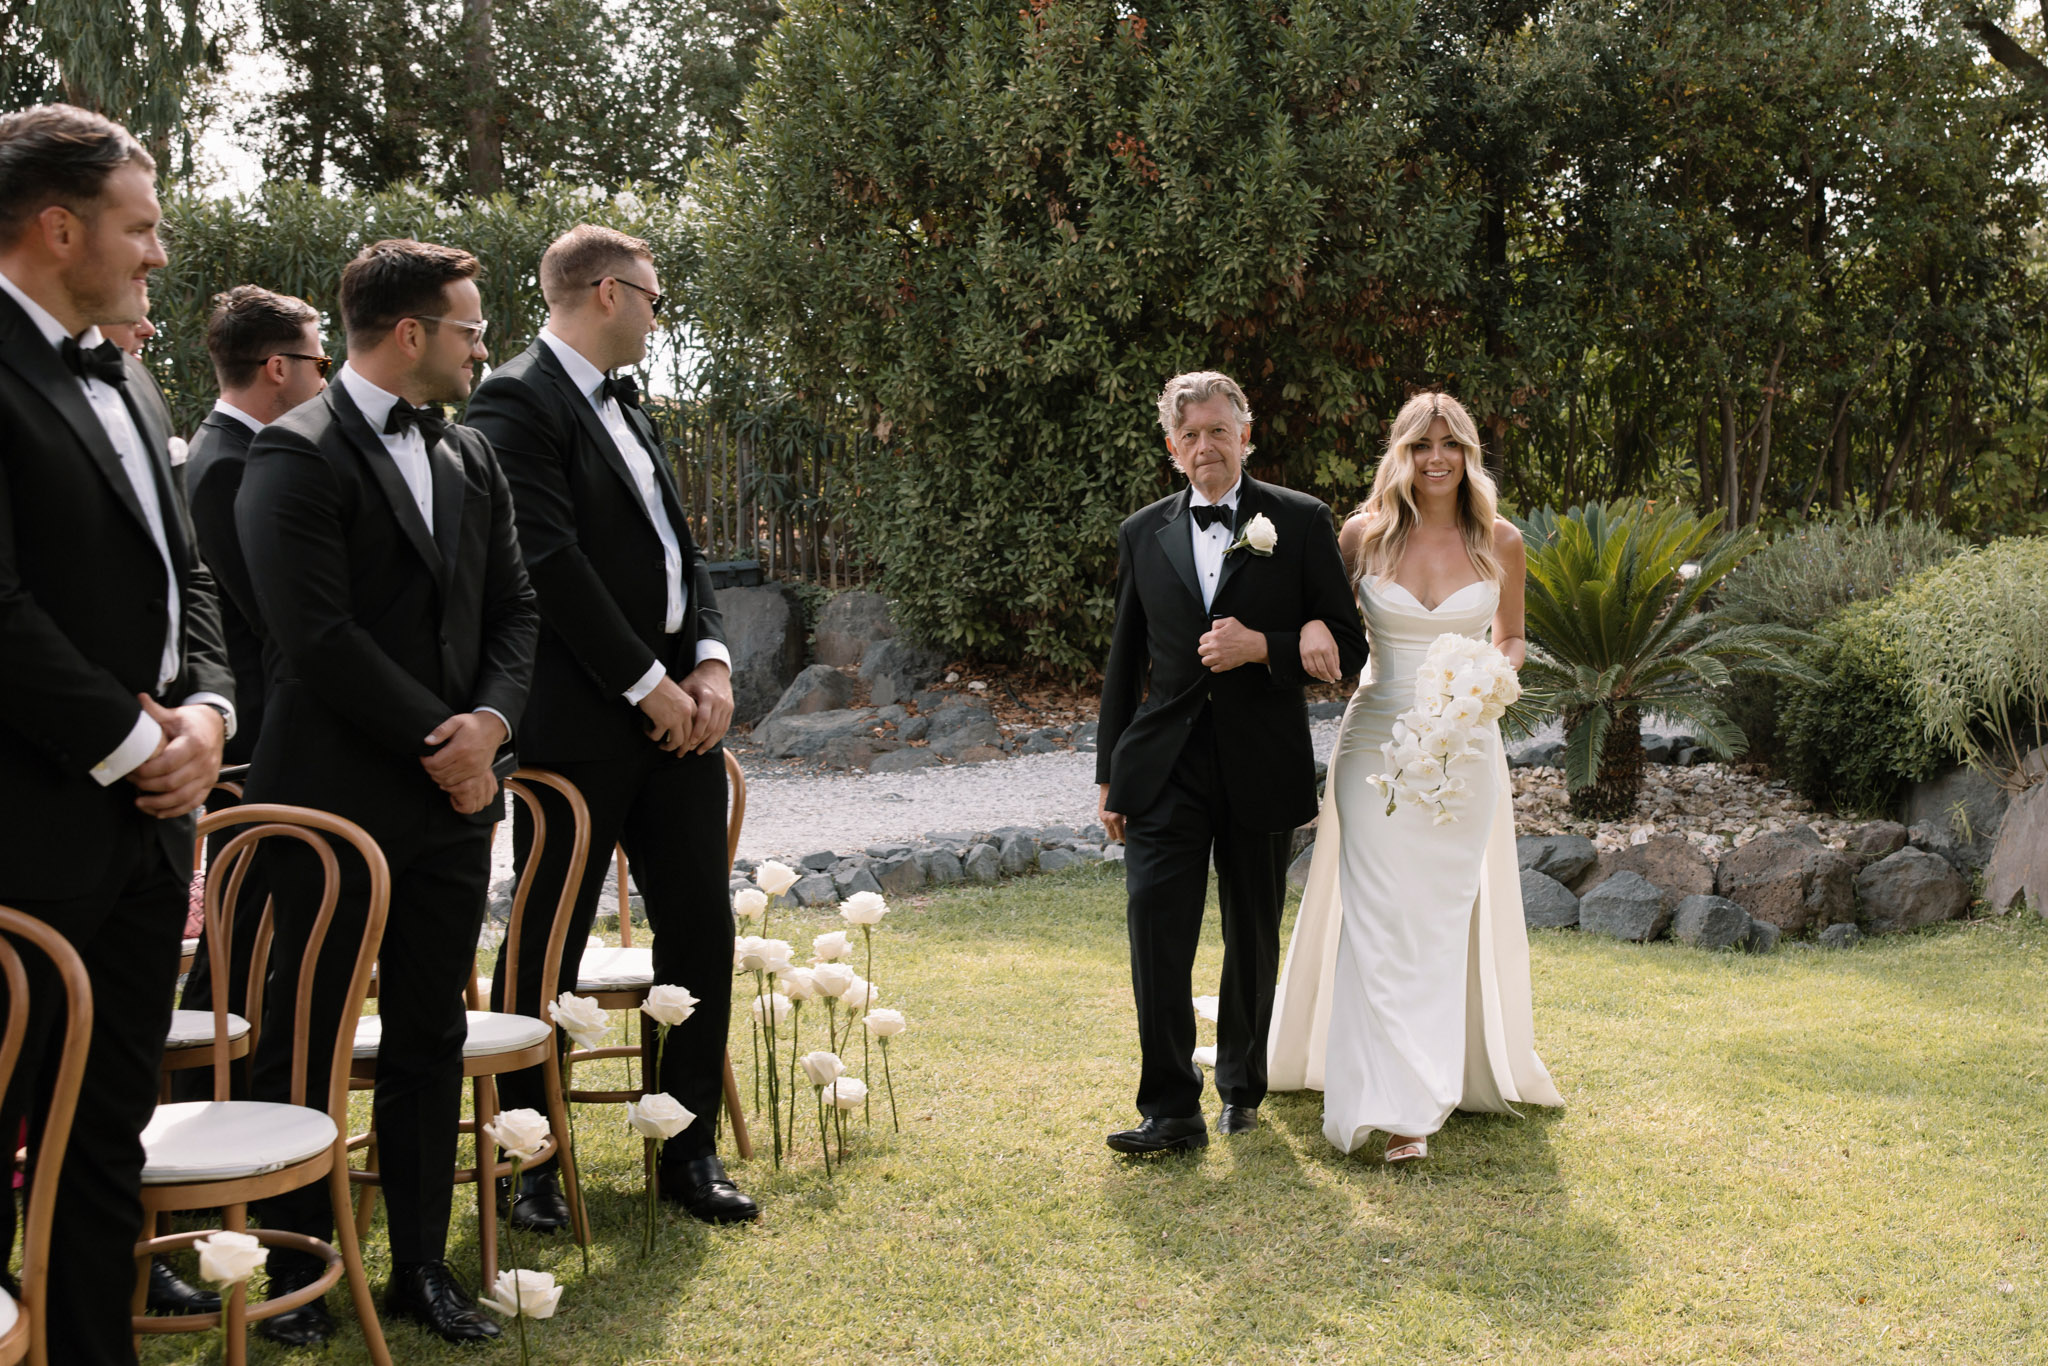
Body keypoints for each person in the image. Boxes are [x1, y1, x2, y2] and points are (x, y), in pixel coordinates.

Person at [237, 238, 537, 1345]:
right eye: (469, 326)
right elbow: (315, 639)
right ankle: (289, 1258)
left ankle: (421, 1263)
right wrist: (441, 737)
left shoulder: (471, 453)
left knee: (427, 1033)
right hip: (329, 800)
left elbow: (518, 612)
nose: (481, 346)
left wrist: (492, 727)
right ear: (410, 332)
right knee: (303, 1030)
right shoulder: (291, 455)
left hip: (454, 804)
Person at [0, 103, 235, 1365]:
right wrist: (129, 741)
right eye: (139, 228)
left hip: (152, 835)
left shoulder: (132, 370)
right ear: (57, 226)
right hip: (26, 833)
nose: (156, 256)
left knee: (105, 1144)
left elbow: (189, 575)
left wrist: (206, 712)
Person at [466, 224, 752, 1227]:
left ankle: (686, 1152)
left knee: (700, 928)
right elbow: (547, 564)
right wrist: (646, 683)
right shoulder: (513, 400)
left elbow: (682, 550)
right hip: (578, 726)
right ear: (603, 292)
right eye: (653, 297)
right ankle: (528, 1159)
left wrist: (710, 662)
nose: (659, 314)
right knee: (545, 941)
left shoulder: (632, 406)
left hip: (679, 726)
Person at [1267, 390, 1562, 1161]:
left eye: (1452, 445)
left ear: (1469, 454)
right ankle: (1386, 1100)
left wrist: (1491, 680)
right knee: (1375, 917)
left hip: (1464, 746)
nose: (1437, 459)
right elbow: (1322, 616)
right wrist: (1304, 629)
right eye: (1422, 445)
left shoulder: (1501, 541)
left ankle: (1422, 1093)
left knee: (1435, 921)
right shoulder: (1363, 535)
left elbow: (1514, 637)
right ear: (1399, 454)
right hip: (1374, 743)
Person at [1096, 370, 1367, 1155]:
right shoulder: (1141, 531)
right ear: (1172, 447)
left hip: (1260, 758)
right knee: (1157, 929)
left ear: (1247, 435)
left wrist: (1266, 649)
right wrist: (1110, 774)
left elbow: (1346, 648)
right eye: (1190, 435)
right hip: (1163, 766)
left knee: (1251, 930)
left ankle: (1241, 1088)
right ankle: (1170, 1108)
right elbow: (1123, 662)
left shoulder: (1303, 521)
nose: (1205, 445)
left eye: (1219, 430)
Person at [174, 286, 328, 1099]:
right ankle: (201, 1106)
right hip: (260, 743)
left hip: (270, 737)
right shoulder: (230, 462)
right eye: (319, 361)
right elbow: (272, 615)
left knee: (255, 937)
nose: (327, 381)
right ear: (277, 367)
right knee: (238, 942)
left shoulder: (240, 451)